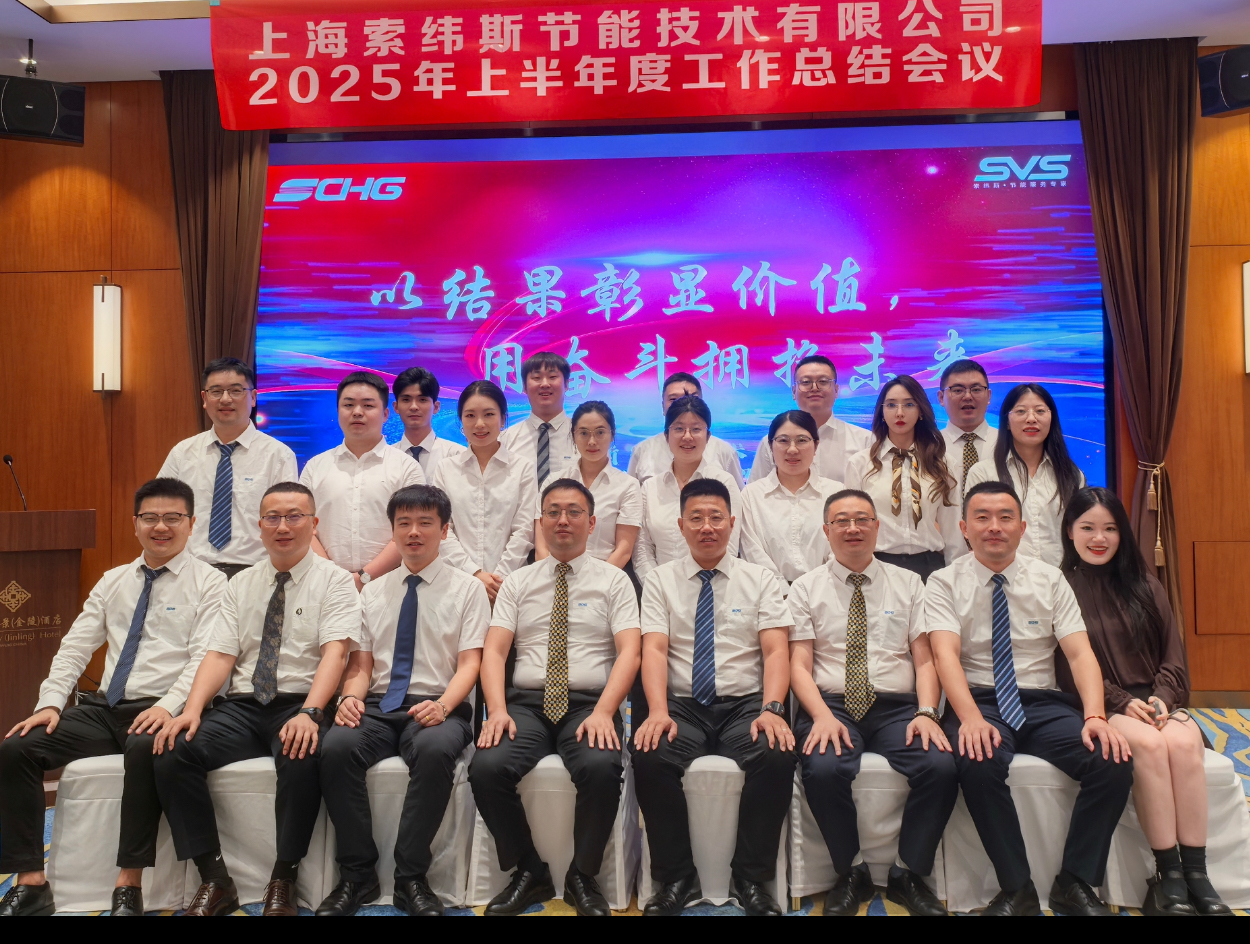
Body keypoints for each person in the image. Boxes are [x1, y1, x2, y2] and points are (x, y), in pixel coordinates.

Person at [0, 479, 227, 917]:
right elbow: (75, 647)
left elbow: (204, 658)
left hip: (164, 707)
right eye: (150, 517)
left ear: (192, 523)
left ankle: (128, 885)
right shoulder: (113, 580)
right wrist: (49, 703)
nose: (161, 527)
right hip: (105, 708)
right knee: (16, 748)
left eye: (173, 517)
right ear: (135, 524)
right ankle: (31, 882)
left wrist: (167, 706)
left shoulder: (211, 584)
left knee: (144, 747)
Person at [926, 481, 1133, 916]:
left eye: (1005, 518)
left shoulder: (1050, 578)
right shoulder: (944, 582)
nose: (994, 527)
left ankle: (1075, 881)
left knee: (1110, 759)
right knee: (977, 760)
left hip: (1043, 701)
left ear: (1022, 528)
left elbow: (1080, 654)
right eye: (982, 517)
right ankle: (1016, 887)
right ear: (964, 528)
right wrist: (970, 719)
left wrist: (1095, 715)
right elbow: (945, 657)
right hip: (980, 700)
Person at [152, 482, 360, 916]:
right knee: (173, 748)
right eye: (273, 517)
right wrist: (191, 710)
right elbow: (219, 655)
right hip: (243, 705)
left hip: (299, 701)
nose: (283, 526)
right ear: (259, 525)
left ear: (314, 524)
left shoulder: (336, 581)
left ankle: (284, 877)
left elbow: (336, 654)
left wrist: (311, 712)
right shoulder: (241, 583)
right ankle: (215, 878)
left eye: (294, 516)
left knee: (300, 751)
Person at [469, 478, 641, 916]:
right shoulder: (518, 582)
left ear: (592, 523)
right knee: (486, 767)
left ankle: (583, 875)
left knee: (601, 767)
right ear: (541, 522)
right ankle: (530, 871)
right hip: (525, 704)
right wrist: (496, 710)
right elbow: (494, 651)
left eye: (574, 512)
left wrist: (605, 711)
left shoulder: (614, 582)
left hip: (589, 705)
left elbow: (630, 652)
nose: (563, 520)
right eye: (553, 512)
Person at [317, 485, 489, 917]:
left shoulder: (468, 590)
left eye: (425, 523)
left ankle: (411, 878)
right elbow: (361, 664)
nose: (414, 532)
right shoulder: (372, 592)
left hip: (439, 704)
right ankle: (357, 875)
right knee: (336, 746)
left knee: (434, 751)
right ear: (392, 531)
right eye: (404, 523)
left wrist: (444, 706)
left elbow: (470, 663)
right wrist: (349, 699)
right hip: (378, 705)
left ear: (444, 530)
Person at [1058, 487, 1229, 916]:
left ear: (1123, 533)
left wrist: (1163, 697)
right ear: (1070, 531)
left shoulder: (1145, 583)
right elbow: (1066, 667)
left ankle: (1197, 875)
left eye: (1110, 528)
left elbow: (1174, 656)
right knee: (1151, 746)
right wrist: (1119, 702)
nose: (1099, 538)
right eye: (1088, 528)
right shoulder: (1061, 589)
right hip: (1104, 703)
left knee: (1185, 743)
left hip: (1156, 699)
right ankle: (1167, 874)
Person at [789, 489, 956, 916]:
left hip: (898, 708)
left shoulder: (909, 583)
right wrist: (821, 716)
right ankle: (851, 871)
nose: (853, 528)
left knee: (940, 765)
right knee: (823, 768)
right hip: (831, 705)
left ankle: (908, 873)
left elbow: (925, 658)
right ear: (826, 530)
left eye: (862, 519)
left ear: (877, 527)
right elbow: (799, 665)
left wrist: (927, 712)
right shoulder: (805, 588)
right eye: (842, 521)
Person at [633, 479, 796, 916]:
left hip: (745, 704)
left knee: (776, 752)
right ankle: (675, 877)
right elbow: (655, 650)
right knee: (650, 753)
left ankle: (751, 878)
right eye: (697, 518)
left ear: (732, 523)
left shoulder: (760, 579)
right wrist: (658, 711)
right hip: (683, 704)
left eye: (716, 517)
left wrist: (772, 709)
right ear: (681, 525)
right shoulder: (660, 580)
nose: (707, 527)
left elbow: (776, 650)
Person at [158, 357, 297, 578]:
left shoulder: (278, 455)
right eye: (216, 391)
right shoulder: (182, 453)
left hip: (255, 574)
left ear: (253, 397)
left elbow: (287, 522)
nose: (225, 399)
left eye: (235, 391)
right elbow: (159, 512)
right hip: (189, 572)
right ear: (204, 398)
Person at [300, 371, 425, 590]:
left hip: (390, 585)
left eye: (368, 405)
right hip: (324, 585)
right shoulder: (315, 467)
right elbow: (303, 526)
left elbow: (411, 530)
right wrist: (334, 577)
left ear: (385, 414)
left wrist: (363, 577)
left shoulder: (407, 467)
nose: (357, 412)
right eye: (348, 405)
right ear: (338, 411)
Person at [431, 380, 540, 604]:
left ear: (503, 419)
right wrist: (474, 574)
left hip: (508, 587)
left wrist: (497, 580)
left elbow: (524, 530)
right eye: (470, 415)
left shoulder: (523, 468)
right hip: (456, 584)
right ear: (461, 420)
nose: (479, 424)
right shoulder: (445, 469)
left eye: (489, 414)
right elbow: (442, 530)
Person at [844, 376, 960, 582]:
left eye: (908, 404)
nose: (899, 413)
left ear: (921, 410)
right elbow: (852, 526)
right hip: (877, 567)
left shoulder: (942, 463)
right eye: (891, 405)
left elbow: (952, 529)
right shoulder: (860, 464)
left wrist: (956, 577)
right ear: (881, 412)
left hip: (930, 567)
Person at [965, 383, 1084, 568]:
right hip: (1004, 578)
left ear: (1051, 418)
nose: (1031, 419)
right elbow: (976, 533)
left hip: (1061, 578)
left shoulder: (1072, 475)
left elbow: (1080, 533)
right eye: (1021, 411)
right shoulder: (984, 473)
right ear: (1007, 421)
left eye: (1040, 411)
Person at [633, 395, 741, 583]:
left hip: (713, 588)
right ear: (666, 436)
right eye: (679, 428)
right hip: (660, 589)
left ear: (708, 436)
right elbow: (642, 550)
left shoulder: (724, 482)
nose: (687, 436)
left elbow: (730, 546)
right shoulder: (650, 488)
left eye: (696, 429)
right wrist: (658, 587)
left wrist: (705, 587)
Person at [739, 410, 845, 584]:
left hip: (827, 590)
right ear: (770, 446)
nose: (793, 449)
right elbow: (752, 551)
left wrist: (815, 590)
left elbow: (841, 549)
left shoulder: (836, 493)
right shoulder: (751, 495)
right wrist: (781, 592)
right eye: (783, 441)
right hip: (768, 593)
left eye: (802, 440)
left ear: (816, 445)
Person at [545, 400, 641, 569]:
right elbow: (541, 544)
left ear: (612, 434)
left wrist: (597, 581)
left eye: (600, 432)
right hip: (554, 574)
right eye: (583, 433)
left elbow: (624, 550)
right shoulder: (554, 481)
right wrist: (555, 578)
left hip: (605, 575)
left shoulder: (628, 486)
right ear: (573, 436)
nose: (591, 441)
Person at [748, 355, 871, 485]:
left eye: (823, 381)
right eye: (806, 382)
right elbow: (756, 490)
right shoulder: (773, 442)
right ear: (794, 391)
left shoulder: (864, 440)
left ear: (836, 390)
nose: (815, 388)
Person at [627, 372, 745, 487]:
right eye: (673, 399)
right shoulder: (642, 451)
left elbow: (738, 497)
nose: (684, 404)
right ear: (663, 406)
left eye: (691, 398)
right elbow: (631, 495)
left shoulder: (724, 451)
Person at [498, 352, 578, 488]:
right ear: (524, 386)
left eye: (552, 377)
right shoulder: (505, 440)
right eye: (536, 378)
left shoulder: (584, 437)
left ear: (566, 384)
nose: (545, 384)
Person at [937, 358, 997, 505]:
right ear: (941, 398)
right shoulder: (928, 447)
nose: (968, 396)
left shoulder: (1008, 444)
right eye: (958, 390)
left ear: (989, 396)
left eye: (976, 389)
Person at [391, 366, 466, 480]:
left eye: (422, 400)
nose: (414, 407)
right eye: (406, 400)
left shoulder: (457, 455)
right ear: (396, 407)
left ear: (436, 407)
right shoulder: (385, 458)